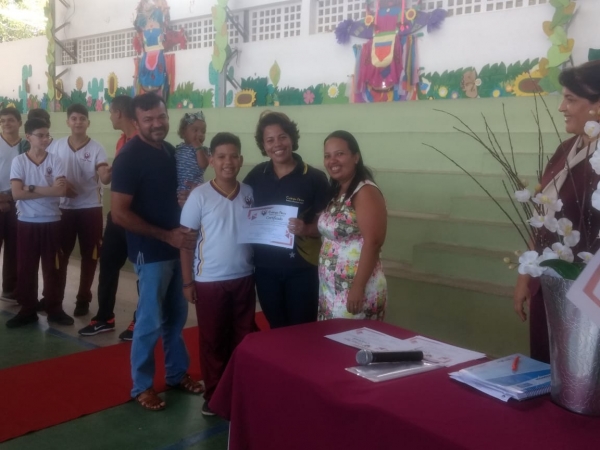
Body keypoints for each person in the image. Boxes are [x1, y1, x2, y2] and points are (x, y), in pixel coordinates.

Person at [111, 92, 202, 411]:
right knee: (149, 321)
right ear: (136, 122)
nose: (156, 124)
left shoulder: (169, 151)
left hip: (178, 248)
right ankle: (142, 386)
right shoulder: (128, 157)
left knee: (175, 318)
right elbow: (118, 213)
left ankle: (176, 374)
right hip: (150, 252)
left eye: (161, 117)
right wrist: (166, 236)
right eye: (148, 119)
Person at [513, 61, 600, 364]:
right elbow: (545, 215)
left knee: (581, 375)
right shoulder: (566, 149)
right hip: (549, 284)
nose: (562, 107)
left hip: (588, 296)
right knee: (545, 366)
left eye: (571, 99)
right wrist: (526, 276)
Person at [180, 132, 255, 416]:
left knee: (243, 339)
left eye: (233, 156)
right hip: (209, 281)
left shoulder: (249, 193)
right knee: (213, 340)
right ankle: (214, 396)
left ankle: (239, 390)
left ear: (241, 160)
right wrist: (187, 281)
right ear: (211, 160)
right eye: (221, 156)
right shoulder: (199, 196)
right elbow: (186, 243)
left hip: (244, 277)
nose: (228, 162)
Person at [243, 111, 329, 328]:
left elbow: (327, 226)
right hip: (265, 269)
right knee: (276, 328)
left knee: (302, 330)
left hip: (302, 269)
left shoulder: (314, 178)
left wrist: (306, 228)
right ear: (263, 145)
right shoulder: (256, 175)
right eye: (270, 140)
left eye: (282, 137)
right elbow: (237, 203)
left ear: (292, 138)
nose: (277, 144)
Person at [79, 95, 139, 339]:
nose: (110, 117)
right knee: (108, 265)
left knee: (143, 271)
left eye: (111, 112)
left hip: (138, 217)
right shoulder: (122, 141)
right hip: (117, 217)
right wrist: (108, 172)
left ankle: (141, 321)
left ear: (119, 113)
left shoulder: (142, 142)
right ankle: (105, 318)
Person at [6, 118, 72, 327]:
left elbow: (61, 190)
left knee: (53, 267)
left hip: (52, 220)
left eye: (47, 135)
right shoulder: (19, 162)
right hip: (27, 221)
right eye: (40, 135)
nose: (45, 139)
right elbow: (17, 194)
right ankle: (28, 310)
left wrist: (31, 188)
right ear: (29, 137)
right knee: (26, 267)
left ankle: (54, 309)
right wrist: (49, 190)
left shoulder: (55, 160)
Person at [48, 104, 111, 317]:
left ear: (88, 123)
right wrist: (63, 184)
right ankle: (55, 299)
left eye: (82, 118)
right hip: (63, 209)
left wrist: (109, 173)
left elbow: (104, 176)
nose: (78, 122)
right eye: (74, 118)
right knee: (61, 254)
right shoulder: (56, 146)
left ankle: (83, 299)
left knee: (90, 255)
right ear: (67, 121)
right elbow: (48, 173)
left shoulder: (97, 148)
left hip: (90, 208)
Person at [318, 130, 387, 320]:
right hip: (331, 288)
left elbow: (373, 242)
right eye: (327, 156)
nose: (332, 161)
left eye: (340, 154)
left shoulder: (365, 191)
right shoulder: (337, 190)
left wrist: (357, 287)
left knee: (351, 338)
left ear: (355, 157)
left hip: (355, 289)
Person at [0, 107, 28, 302]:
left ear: (19, 122)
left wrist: (9, 197)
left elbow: (30, 174)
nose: (6, 124)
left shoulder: (26, 146)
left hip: (17, 203)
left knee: (14, 248)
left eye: (10, 120)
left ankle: (10, 289)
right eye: (2, 121)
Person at [175, 111, 209, 198]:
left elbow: (203, 165)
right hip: (180, 189)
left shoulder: (204, 150)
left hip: (196, 188)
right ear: (183, 133)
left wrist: (198, 148)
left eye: (203, 131)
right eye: (195, 130)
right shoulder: (179, 149)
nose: (200, 134)